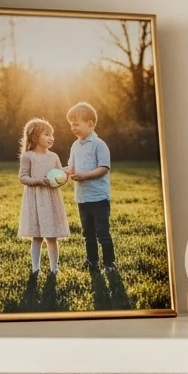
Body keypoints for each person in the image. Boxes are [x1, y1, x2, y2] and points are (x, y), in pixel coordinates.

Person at [65, 102, 114, 276]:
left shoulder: (99, 144)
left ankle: (109, 264)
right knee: (88, 233)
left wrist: (84, 175)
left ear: (90, 123)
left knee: (102, 233)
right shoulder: (75, 146)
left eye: (76, 123)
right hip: (82, 198)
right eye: (71, 124)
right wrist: (63, 172)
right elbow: (71, 167)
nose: (72, 127)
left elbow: (104, 168)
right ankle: (92, 261)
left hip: (99, 198)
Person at [18, 118, 70, 280]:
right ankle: (36, 269)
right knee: (37, 236)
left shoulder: (53, 156)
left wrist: (64, 176)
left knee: (52, 236)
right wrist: (39, 180)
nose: (51, 138)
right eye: (47, 134)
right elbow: (23, 178)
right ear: (35, 137)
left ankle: (54, 269)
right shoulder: (28, 156)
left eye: (52, 134)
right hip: (36, 199)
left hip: (51, 199)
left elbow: (60, 176)